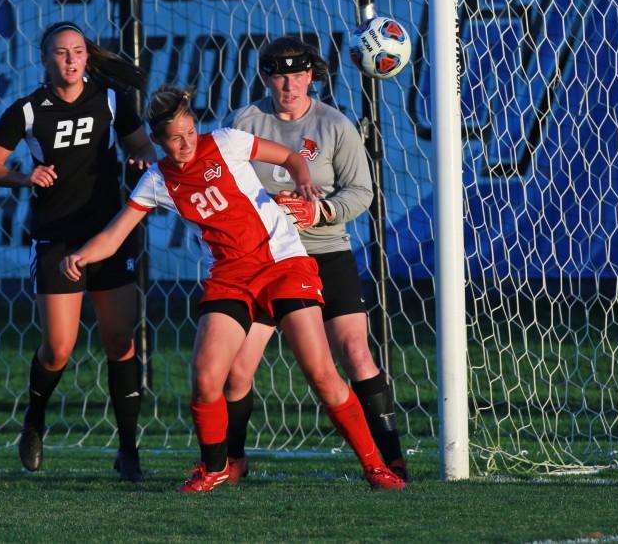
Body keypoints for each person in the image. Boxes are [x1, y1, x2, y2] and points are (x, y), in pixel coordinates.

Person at [59, 85, 405, 492]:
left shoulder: (226, 141)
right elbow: (115, 236)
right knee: (207, 377)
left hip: (282, 263)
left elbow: (292, 157)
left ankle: (375, 466)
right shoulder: (158, 179)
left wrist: (305, 182)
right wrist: (80, 256)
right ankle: (215, 467)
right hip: (230, 277)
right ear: (157, 140)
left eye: (190, 131)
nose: (187, 143)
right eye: (176, 137)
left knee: (322, 373)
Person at [223, 36, 408, 483]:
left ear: (312, 75)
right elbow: (225, 185)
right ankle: (232, 460)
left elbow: (361, 192)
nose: (289, 84)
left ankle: (391, 460)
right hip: (266, 261)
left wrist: (318, 210)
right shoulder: (244, 122)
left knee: (355, 352)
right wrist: (266, 209)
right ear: (265, 77)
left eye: (298, 74)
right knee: (236, 370)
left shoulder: (335, 125)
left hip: (326, 252)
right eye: (279, 75)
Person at [0, 21, 154, 482]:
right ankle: (34, 420)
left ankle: (128, 448)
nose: (71, 60)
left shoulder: (112, 100)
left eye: (77, 51)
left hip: (110, 237)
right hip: (57, 238)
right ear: (45, 59)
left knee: (121, 340)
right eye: (61, 53)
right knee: (58, 348)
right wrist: (24, 177)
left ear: (87, 56)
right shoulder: (29, 111)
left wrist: (141, 159)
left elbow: (144, 150)